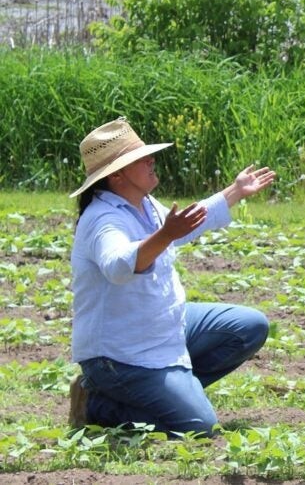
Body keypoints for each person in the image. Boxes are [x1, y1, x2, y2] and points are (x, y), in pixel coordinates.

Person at [67, 117, 276, 435]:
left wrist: (234, 191)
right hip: (118, 357)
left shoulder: (143, 204)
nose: (151, 161)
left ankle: (173, 393)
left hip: (159, 329)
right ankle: (99, 404)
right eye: (140, 159)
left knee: (248, 327)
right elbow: (120, 265)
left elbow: (181, 226)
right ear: (118, 174)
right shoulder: (102, 219)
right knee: (199, 428)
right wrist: (165, 235)